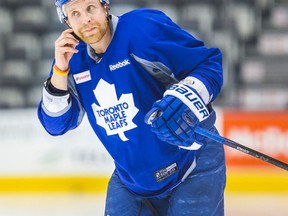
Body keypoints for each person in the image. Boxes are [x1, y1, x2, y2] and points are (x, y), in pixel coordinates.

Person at [38, 0, 226, 215]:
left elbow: (209, 65)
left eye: (90, 8)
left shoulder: (143, 29)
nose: (86, 19)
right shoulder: (74, 60)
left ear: (105, 6)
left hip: (192, 163)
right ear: (66, 21)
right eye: (75, 14)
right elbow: (56, 125)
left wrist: (185, 98)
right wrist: (60, 70)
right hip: (132, 180)